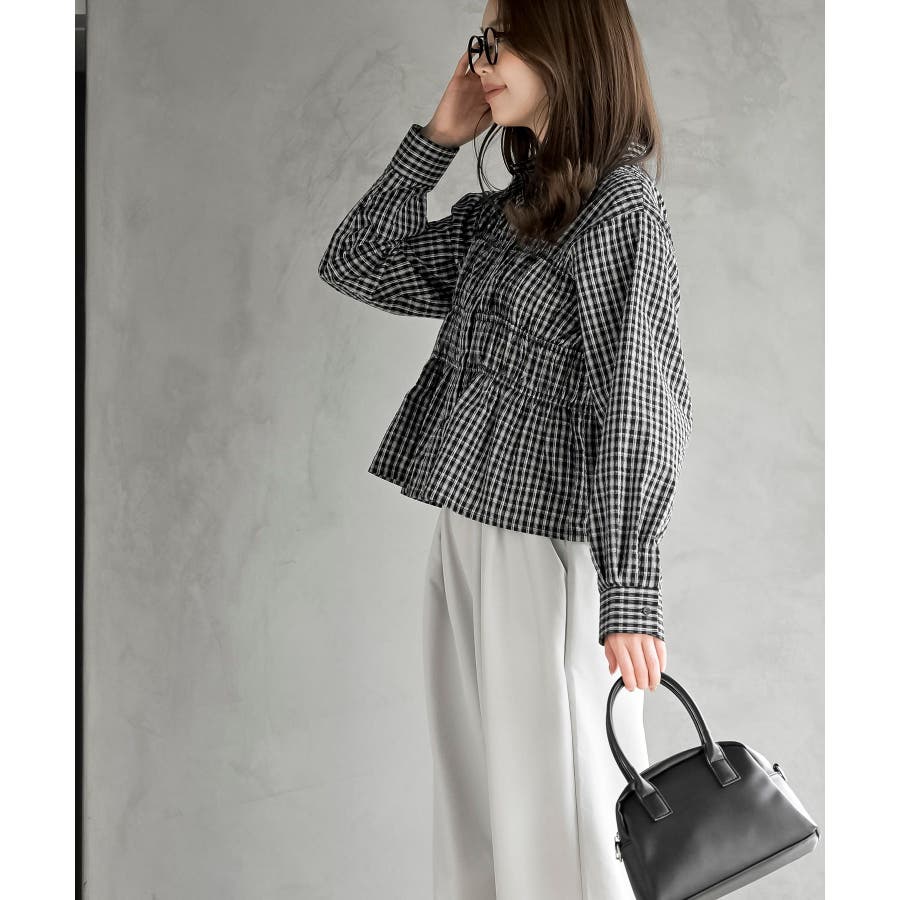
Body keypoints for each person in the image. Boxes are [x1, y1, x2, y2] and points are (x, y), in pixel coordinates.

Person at [317, 1, 693, 896]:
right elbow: (356, 262)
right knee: (481, 809)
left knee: (561, 812)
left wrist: (630, 590)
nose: (482, 60)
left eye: (504, 40)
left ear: (570, 47)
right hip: (466, 535)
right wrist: (436, 141)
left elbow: (640, 404)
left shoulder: (622, 208)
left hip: (545, 554)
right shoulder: (507, 215)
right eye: (481, 42)